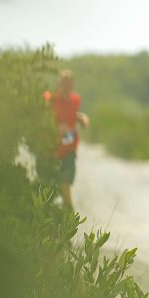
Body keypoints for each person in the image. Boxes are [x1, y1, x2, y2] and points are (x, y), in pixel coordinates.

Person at [43, 70, 90, 210]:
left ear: (73, 84)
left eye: (69, 82)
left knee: (66, 182)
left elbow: (72, 114)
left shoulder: (75, 99)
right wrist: (56, 126)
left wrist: (82, 118)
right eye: (63, 81)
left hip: (68, 146)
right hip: (49, 147)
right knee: (47, 184)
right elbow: (44, 114)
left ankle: (68, 212)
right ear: (58, 83)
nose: (66, 85)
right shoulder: (50, 98)